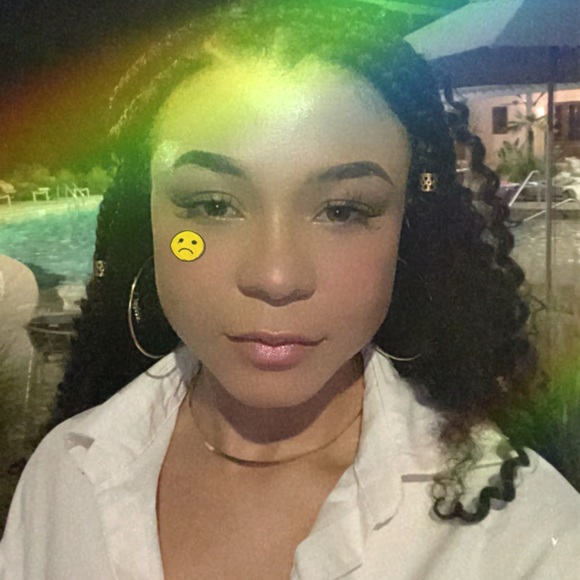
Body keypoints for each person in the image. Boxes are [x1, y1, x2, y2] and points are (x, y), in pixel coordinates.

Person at [2, 1, 579, 578]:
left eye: (343, 210)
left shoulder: (525, 536)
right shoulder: (63, 477)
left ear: (408, 225)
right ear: (146, 222)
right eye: (212, 206)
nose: (276, 277)